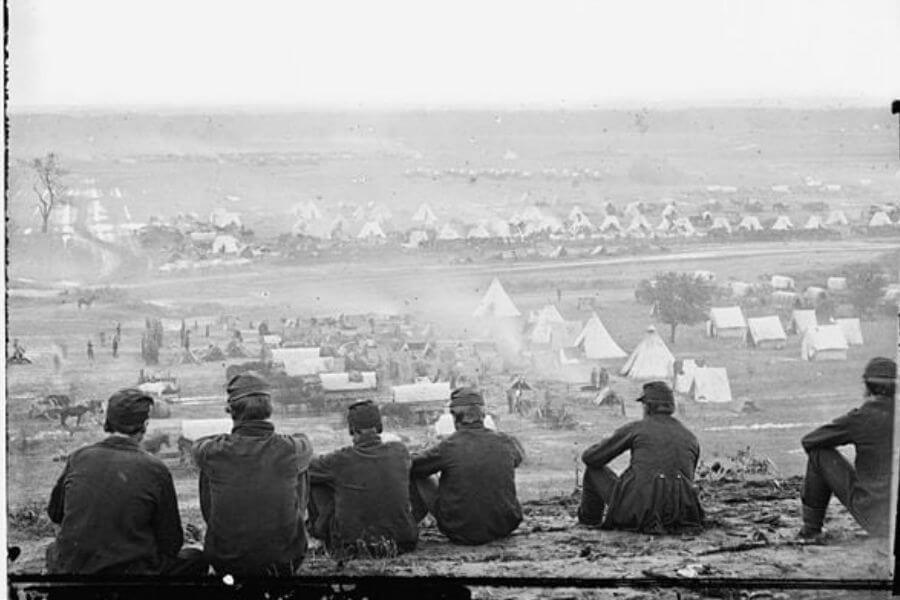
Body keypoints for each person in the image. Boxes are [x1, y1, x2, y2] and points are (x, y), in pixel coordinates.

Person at [46, 389, 205, 575]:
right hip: (129, 576)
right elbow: (171, 543)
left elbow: (55, 513)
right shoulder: (155, 468)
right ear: (145, 425)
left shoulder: (79, 457)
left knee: (52, 550)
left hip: (71, 571)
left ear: (107, 422)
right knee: (196, 558)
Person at [192, 372, 313, 576]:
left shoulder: (213, 450)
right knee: (299, 468)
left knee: (210, 468)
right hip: (285, 561)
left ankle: (226, 535)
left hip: (226, 561)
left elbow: (198, 446)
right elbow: (305, 441)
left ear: (231, 410)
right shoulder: (292, 448)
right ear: (269, 409)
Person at [577, 381, 703, 534]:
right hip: (682, 514)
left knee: (593, 471)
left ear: (647, 406)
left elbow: (591, 458)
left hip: (639, 512)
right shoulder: (690, 437)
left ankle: (588, 524)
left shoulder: (637, 429)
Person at [410, 388, 524, 545]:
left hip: (460, 530)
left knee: (422, 475)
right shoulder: (506, 441)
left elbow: (412, 467)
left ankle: (410, 523)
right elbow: (517, 459)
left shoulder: (448, 446)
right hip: (506, 525)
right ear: (483, 415)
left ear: (455, 416)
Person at [798, 357, 896, 539]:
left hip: (878, 517)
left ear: (868, 387)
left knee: (819, 454)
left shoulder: (864, 417)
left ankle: (811, 530)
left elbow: (810, 441)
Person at [307, 401, 418, 557]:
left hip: (353, 546)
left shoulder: (339, 459)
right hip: (403, 542)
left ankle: (317, 535)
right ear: (379, 426)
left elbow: (307, 468)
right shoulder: (400, 451)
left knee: (316, 482)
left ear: (352, 429)